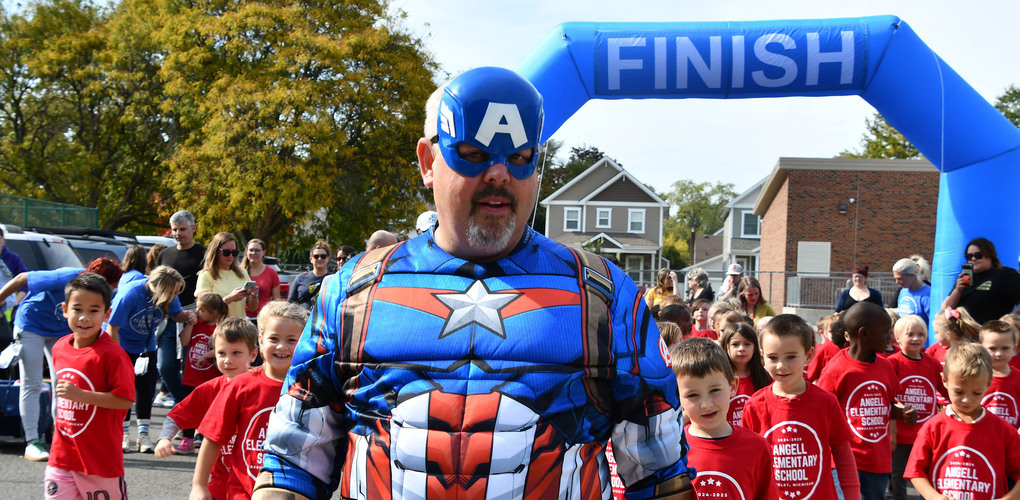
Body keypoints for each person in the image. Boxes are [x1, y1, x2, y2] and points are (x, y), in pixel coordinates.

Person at [254, 66, 694, 500]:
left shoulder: (604, 295)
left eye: (520, 158)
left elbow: (658, 475)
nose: (500, 174)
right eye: (476, 154)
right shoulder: (353, 291)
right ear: (428, 162)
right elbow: (293, 463)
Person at [0, 257, 122, 461]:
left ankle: (63, 438)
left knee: (64, 383)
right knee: (31, 382)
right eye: (110, 286)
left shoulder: (100, 293)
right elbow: (22, 278)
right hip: (31, 324)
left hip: (59, 330)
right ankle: (32, 442)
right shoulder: (67, 276)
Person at [192, 303, 307, 500]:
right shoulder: (239, 386)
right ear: (260, 341)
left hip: (295, 492)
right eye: (273, 338)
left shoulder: (313, 389)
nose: (281, 346)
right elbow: (213, 438)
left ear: (304, 342)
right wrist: (199, 485)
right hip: (242, 492)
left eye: (291, 340)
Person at [741, 314, 861, 500]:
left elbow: (843, 455)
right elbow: (748, 462)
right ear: (762, 357)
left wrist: (853, 495)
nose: (781, 366)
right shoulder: (754, 406)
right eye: (773, 357)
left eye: (791, 357)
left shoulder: (826, 402)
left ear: (808, 355)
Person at [46, 273, 134, 500]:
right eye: (77, 309)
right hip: (61, 457)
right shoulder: (59, 348)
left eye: (94, 311)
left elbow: (125, 400)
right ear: (65, 309)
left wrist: (81, 395)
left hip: (99, 462)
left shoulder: (113, 355)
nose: (84, 317)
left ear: (106, 314)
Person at [816, 302, 918, 500]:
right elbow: (822, 413)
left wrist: (902, 413)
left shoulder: (886, 367)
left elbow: (887, 404)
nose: (889, 337)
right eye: (884, 332)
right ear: (864, 333)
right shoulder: (836, 369)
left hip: (877, 459)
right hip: (846, 459)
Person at [155, 317, 259, 500]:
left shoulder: (263, 386)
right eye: (221, 353)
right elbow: (176, 416)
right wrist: (164, 439)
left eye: (236, 353)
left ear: (252, 354)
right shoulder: (209, 389)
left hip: (255, 483)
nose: (228, 360)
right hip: (220, 484)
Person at [905, 342, 1020, 499]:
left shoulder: (1004, 431)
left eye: (977, 392)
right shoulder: (933, 427)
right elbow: (915, 472)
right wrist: (934, 497)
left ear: (988, 384)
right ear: (944, 380)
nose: (967, 400)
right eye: (959, 392)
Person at [672, 337, 779, 499]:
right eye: (693, 395)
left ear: (732, 387)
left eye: (715, 390)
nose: (706, 404)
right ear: (676, 397)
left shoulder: (758, 448)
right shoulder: (672, 452)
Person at [108, 265, 194, 453]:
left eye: (175, 292)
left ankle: (143, 435)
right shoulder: (130, 294)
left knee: (145, 389)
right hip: (123, 346)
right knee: (123, 392)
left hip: (146, 347)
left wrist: (187, 316)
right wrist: (117, 356)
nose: (174, 296)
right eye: (171, 293)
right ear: (159, 288)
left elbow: (176, 314)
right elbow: (112, 327)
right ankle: (123, 435)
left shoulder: (169, 293)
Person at [886, 315, 946, 500]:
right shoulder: (893, 363)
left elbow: (946, 390)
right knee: (898, 474)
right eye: (910, 334)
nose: (916, 338)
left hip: (925, 433)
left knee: (924, 474)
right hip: (901, 432)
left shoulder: (932, 363)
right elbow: (888, 395)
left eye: (921, 334)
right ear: (897, 337)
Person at [154, 210, 207, 409]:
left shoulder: (204, 254)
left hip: (196, 317)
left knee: (190, 369)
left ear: (193, 228)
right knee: (165, 366)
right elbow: (156, 285)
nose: (178, 234)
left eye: (182, 229)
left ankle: (187, 415)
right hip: (169, 318)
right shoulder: (164, 255)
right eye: (175, 230)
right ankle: (183, 405)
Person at [174, 292, 229, 454]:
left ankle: (205, 437)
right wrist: (190, 324)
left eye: (201, 310)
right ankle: (187, 438)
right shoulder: (196, 324)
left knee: (210, 409)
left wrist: (206, 355)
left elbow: (222, 349)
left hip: (211, 378)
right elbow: (184, 342)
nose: (197, 312)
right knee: (189, 408)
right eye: (197, 309)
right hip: (191, 377)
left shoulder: (220, 328)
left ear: (214, 313)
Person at [942, 237, 1020, 325]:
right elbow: (946, 308)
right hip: (963, 334)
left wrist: (1009, 321)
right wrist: (957, 290)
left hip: (989, 333)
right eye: (969, 256)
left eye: (978, 255)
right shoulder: (965, 277)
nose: (973, 259)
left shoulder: (1005, 275)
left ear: (990, 255)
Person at [719, 322, 770, 427]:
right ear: (726, 347)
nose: (741, 348)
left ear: (755, 348)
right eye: (735, 344)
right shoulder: (718, 377)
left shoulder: (765, 378)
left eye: (747, 344)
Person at [196, 232, 255, 319]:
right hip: (218, 329)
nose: (231, 256)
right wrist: (229, 299)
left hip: (240, 328)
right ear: (215, 251)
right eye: (226, 252)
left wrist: (254, 296)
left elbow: (252, 308)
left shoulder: (242, 273)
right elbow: (204, 308)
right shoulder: (206, 275)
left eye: (234, 252)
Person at [978, 320, 1020, 429]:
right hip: (980, 437)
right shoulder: (975, 376)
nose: (999, 354)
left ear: (1014, 349)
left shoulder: (1018, 378)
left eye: (1005, 348)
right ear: (982, 348)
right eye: (992, 348)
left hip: (1010, 440)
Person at [241, 238, 280, 319]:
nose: (253, 253)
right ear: (246, 251)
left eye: (257, 250)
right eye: (251, 250)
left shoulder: (272, 273)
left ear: (263, 252)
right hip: (241, 317)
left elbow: (276, 301)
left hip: (263, 318)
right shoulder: (239, 272)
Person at [286, 239, 330, 311]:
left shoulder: (333, 279)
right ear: (311, 259)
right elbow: (290, 303)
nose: (319, 258)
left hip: (324, 319)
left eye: (323, 256)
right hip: (304, 319)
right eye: (316, 256)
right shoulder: (300, 278)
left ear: (328, 259)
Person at [0, 227, 29, 333]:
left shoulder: (12, 259)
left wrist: (14, 302)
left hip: (7, 312)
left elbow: (25, 283)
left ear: (3, 239)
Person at [893, 257, 931, 329]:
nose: (897, 282)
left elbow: (933, 322)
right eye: (895, 279)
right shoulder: (903, 291)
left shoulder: (928, 293)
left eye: (900, 279)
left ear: (912, 276)